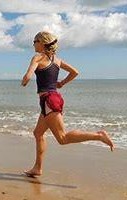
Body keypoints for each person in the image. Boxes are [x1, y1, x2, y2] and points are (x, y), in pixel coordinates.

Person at [21, 31, 114, 177]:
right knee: (38, 133)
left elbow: (28, 75)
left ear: (41, 42)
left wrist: (25, 81)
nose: (33, 44)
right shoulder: (57, 61)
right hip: (51, 100)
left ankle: (99, 136)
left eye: (35, 41)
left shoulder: (37, 58)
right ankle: (37, 168)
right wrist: (62, 83)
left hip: (48, 101)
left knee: (63, 138)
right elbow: (75, 72)